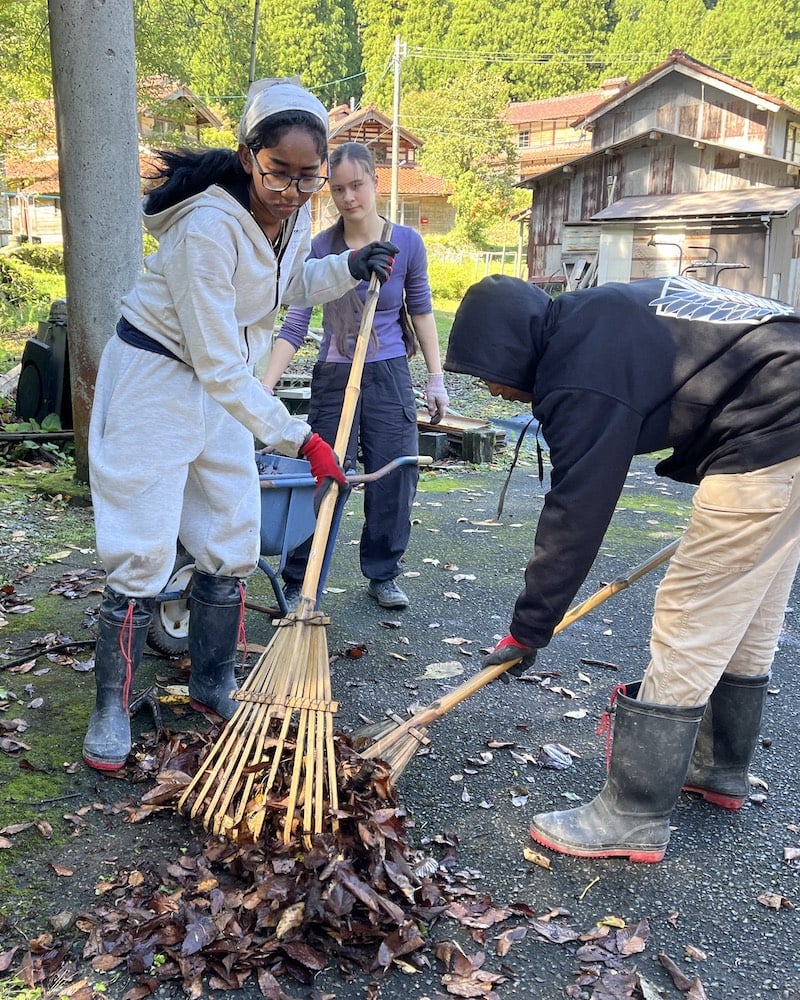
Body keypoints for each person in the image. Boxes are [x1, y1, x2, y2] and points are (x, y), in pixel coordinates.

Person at [84, 79, 398, 772]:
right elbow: (224, 365)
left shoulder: (282, 225)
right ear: (248, 154)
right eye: (278, 172)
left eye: (306, 176)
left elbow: (287, 286)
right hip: (156, 381)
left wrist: (347, 266)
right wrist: (302, 438)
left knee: (231, 532)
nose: (291, 189)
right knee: (142, 544)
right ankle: (113, 705)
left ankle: (212, 679)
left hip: (211, 389)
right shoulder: (207, 227)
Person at [445, 272, 800, 863]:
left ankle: (633, 812)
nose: (491, 390)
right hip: (789, 410)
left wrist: (529, 629)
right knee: (751, 598)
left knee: (695, 607)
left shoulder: (580, 376)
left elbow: (575, 515)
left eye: (485, 372)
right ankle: (719, 766)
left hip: (774, 423)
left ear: (509, 346)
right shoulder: (594, 317)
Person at [261, 141, 448, 611]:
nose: (349, 198)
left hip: (388, 373)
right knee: (320, 474)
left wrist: (436, 378)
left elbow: (421, 310)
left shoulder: (406, 243)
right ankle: (301, 575)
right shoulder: (321, 248)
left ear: (375, 182)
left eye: (357, 186)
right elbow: (297, 323)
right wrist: (263, 387)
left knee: (394, 472)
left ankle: (383, 572)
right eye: (339, 189)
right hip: (334, 373)